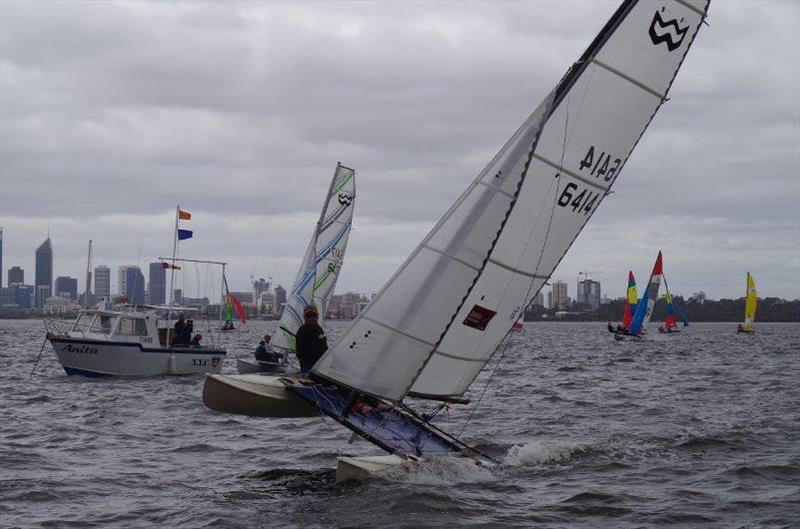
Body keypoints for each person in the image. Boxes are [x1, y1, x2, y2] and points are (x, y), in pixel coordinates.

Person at [295, 305, 327, 374]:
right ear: (304, 317)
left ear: (317, 316)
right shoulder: (302, 331)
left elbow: (324, 345)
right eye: (308, 316)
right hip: (308, 365)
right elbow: (300, 353)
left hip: (320, 364)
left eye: (314, 315)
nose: (312, 318)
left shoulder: (319, 329)